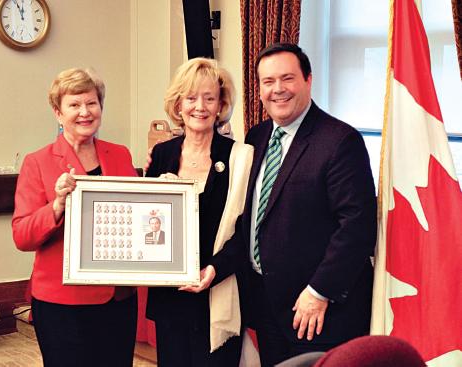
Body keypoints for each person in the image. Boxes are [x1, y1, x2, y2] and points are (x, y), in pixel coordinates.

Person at [232, 43, 377, 366]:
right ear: (258, 89)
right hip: (267, 303)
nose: (278, 90)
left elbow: (356, 227)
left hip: (318, 310)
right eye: (268, 82)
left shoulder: (340, 141)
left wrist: (319, 292)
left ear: (308, 80)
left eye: (287, 78)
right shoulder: (255, 138)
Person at [12, 68, 138, 367]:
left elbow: (134, 217)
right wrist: (56, 205)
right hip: (62, 303)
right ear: (58, 113)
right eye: (74, 104)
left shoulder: (120, 155)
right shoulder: (37, 162)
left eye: (92, 103)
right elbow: (22, 236)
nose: (85, 112)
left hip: (117, 299)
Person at [145, 57, 254, 366]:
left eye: (209, 98)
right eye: (191, 98)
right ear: (178, 104)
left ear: (221, 105)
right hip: (171, 296)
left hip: (217, 290)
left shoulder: (239, 157)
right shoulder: (162, 155)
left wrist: (214, 270)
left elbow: (247, 230)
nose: (200, 107)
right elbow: (147, 225)